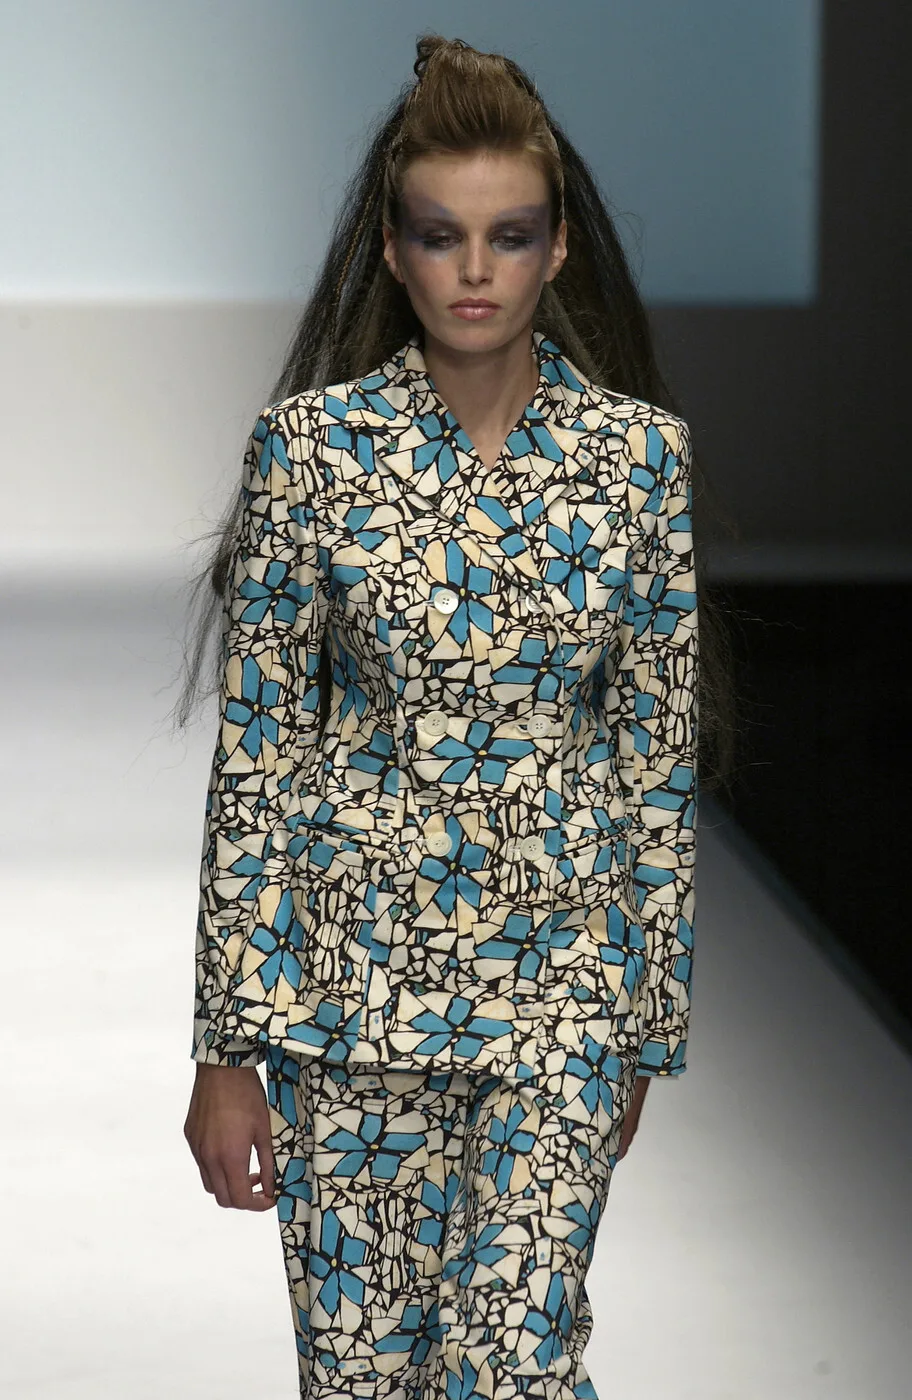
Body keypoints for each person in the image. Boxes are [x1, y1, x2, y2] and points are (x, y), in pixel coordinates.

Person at [179, 32, 735, 1400]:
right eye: (442, 235)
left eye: (509, 235)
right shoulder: (311, 453)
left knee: (516, 1371)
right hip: (348, 1001)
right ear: (393, 250)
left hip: (560, 993)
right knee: (365, 1383)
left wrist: (647, 1027)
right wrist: (226, 1050)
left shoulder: (637, 461)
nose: (475, 269)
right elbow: (259, 761)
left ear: (557, 250)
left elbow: (655, 761)